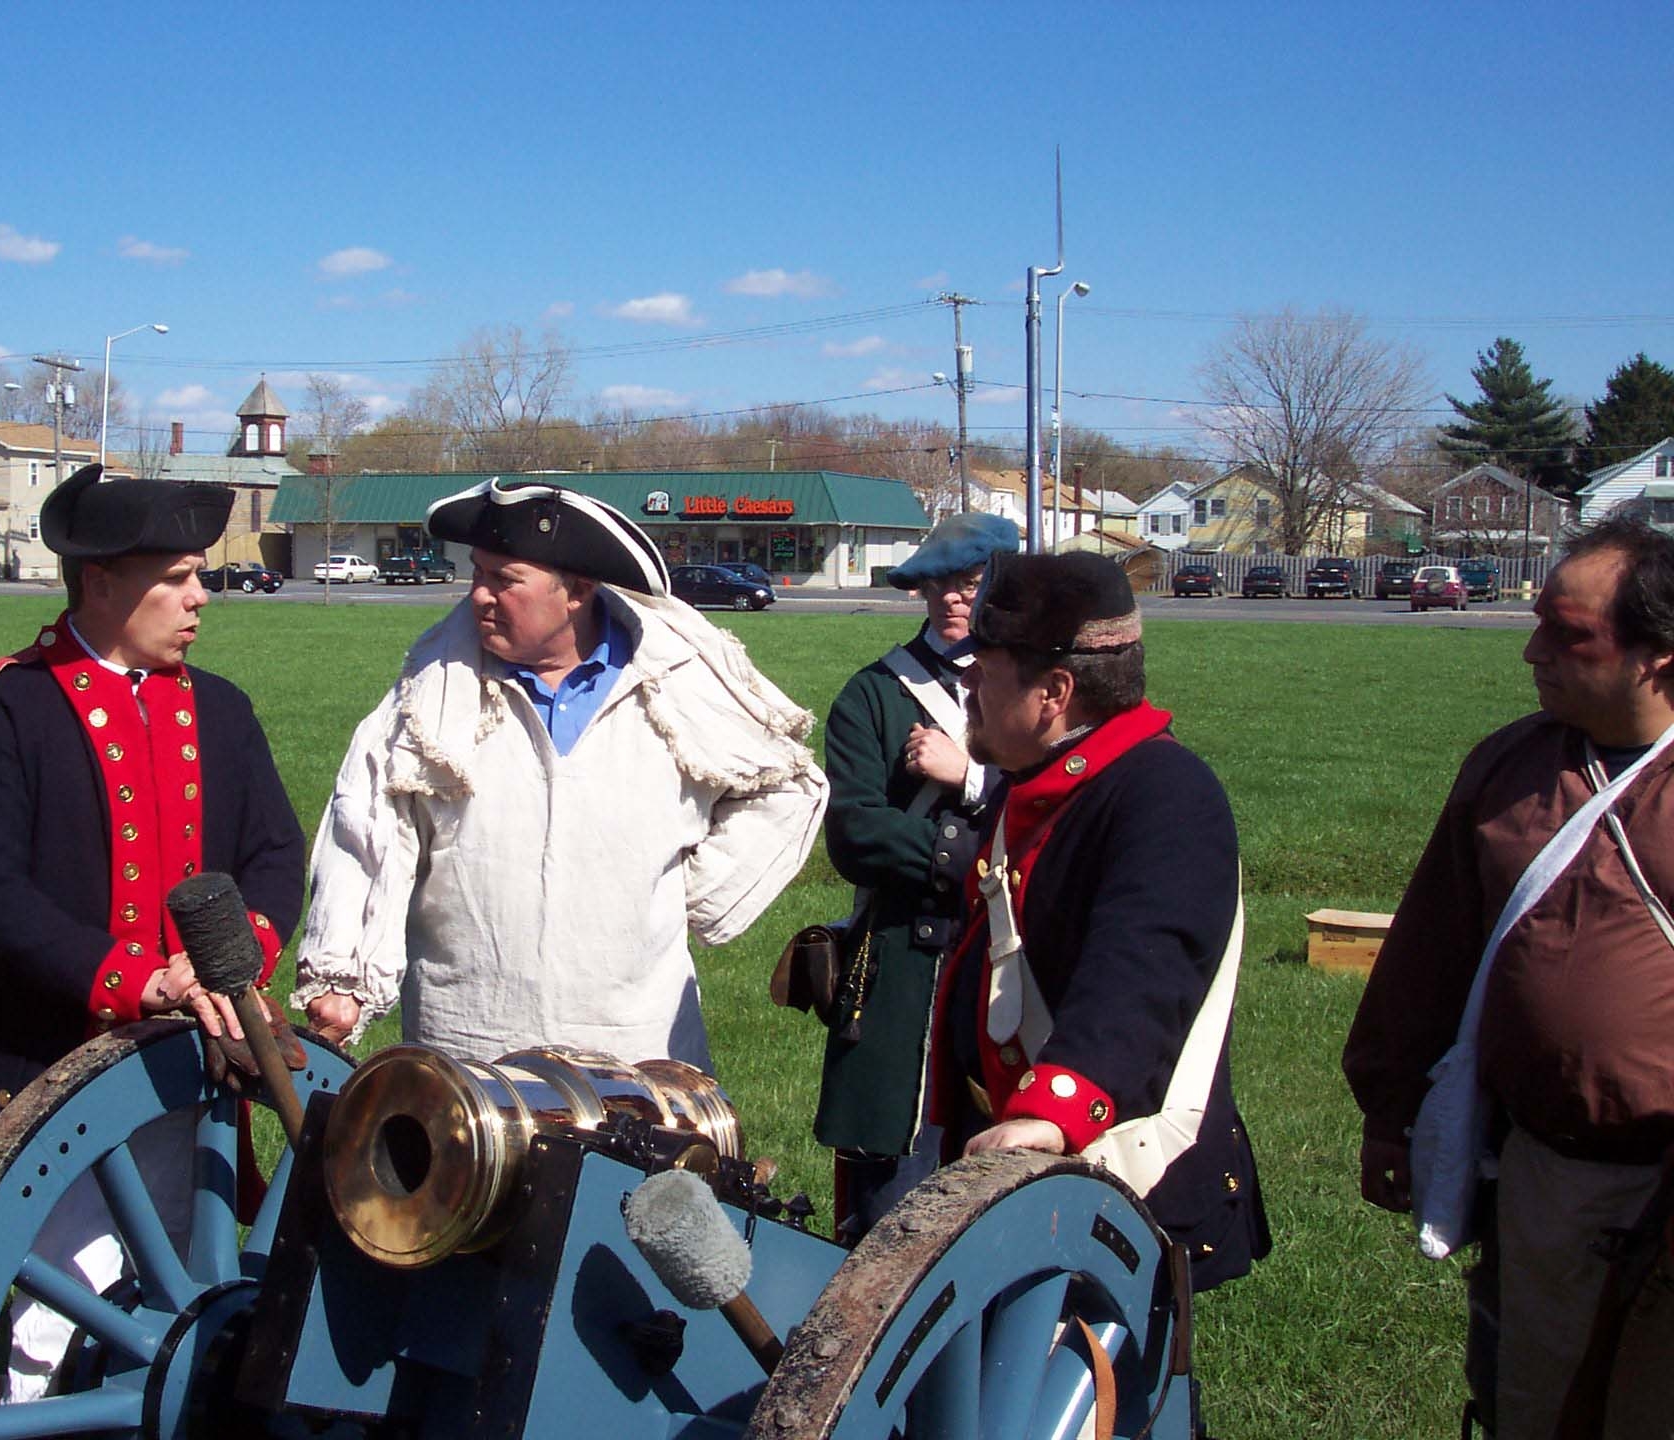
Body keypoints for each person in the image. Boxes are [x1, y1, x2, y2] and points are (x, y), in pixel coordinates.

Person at [0, 463, 306, 1401]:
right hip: (54, 1063)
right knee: (58, 1314)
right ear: (99, 582)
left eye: (199, 575)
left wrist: (225, 962)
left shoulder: (221, 709)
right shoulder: (2, 715)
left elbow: (275, 857)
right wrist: (145, 981)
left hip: (202, 1066)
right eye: (176, 577)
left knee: (201, 1297)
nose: (200, 598)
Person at [294, 478, 827, 1069]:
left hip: (638, 1047)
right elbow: (367, 829)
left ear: (575, 591)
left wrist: (690, 897)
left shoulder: (674, 685)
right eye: (478, 573)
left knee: (652, 1167)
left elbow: (786, 785)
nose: (478, 595)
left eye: (504, 579)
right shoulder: (433, 698)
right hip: (469, 1052)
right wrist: (344, 975)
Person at [1344, 513, 1674, 1440]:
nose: (1533, 651)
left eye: (1568, 636)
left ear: (1659, 655)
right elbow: (1429, 954)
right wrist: (1391, 1114)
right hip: (1543, 1175)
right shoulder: (1507, 765)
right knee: (1533, 1405)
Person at [931, 551, 1268, 1294]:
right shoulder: (1040, 785)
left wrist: (1056, 1107)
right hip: (1019, 1167)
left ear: (1055, 692)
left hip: (1108, 1178)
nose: (967, 685)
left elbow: (1146, 968)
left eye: (984, 668)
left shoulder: (1164, 791)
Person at [815, 512, 1020, 1239]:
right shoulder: (873, 694)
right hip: (902, 953)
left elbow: (1064, 804)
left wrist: (970, 778)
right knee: (888, 1201)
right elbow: (856, 832)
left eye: (969, 583)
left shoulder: (1032, 689)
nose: (952, 600)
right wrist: (979, 861)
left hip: (1011, 959)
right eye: (938, 585)